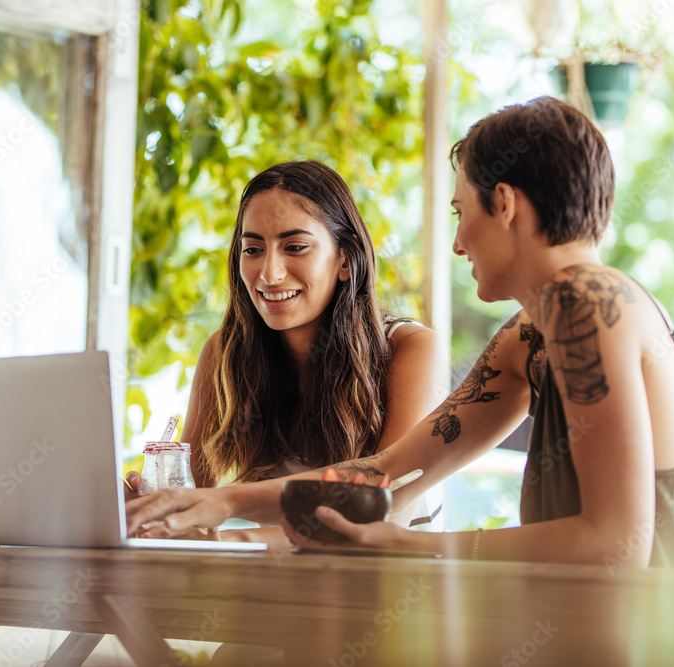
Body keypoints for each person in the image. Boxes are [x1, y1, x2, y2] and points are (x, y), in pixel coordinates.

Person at [127, 97, 674, 568]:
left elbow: (615, 543)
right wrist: (220, 499)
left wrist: (411, 545)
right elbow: (385, 474)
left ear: (507, 204)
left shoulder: (587, 301)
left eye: (462, 212)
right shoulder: (529, 334)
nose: (458, 242)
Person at [127, 160, 447, 547]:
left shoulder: (409, 348)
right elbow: (189, 500)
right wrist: (146, 511)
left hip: (382, 594)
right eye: (253, 249)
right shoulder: (225, 353)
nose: (269, 274)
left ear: (345, 259)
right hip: (267, 592)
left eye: (294, 247)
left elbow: (384, 518)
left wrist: (232, 536)